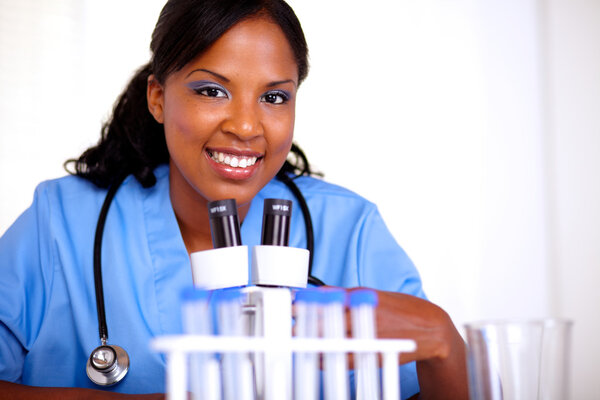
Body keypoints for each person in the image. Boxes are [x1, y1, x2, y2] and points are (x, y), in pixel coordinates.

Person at [0, 0, 468, 399]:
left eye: (275, 98)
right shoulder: (60, 223)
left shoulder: (350, 229)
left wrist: (444, 340)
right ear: (158, 98)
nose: (246, 126)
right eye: (212, 91)